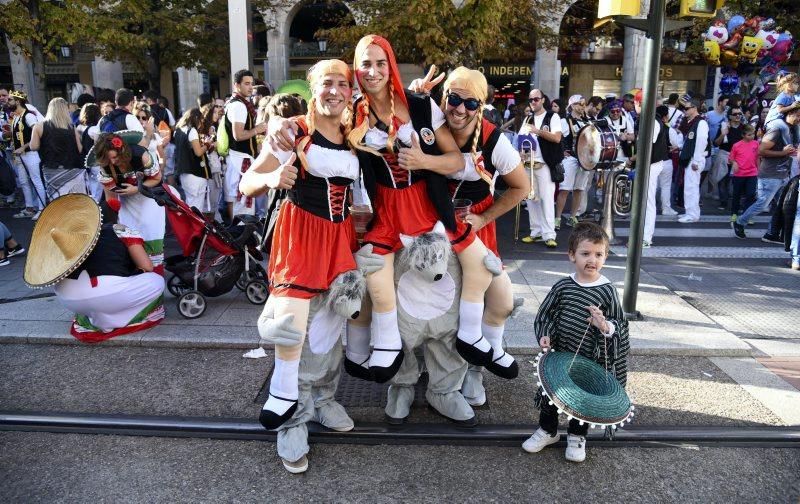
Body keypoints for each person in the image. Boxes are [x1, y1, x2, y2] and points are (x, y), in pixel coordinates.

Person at [239, 59, 361, 435]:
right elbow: (247, 182)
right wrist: (274, 176)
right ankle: (289, 411)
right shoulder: (294, 132)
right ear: (313, 88)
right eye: (327, 83)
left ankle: (323, 397)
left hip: (340, 237)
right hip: (302, 234)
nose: (335, 91)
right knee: (293, 323)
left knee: (329, 324)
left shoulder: (355, 134)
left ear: (351, 92)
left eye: (343, 84)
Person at [434, 67, 529, 379]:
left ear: (481, 106)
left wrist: (485, 217)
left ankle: (476, 371)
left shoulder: (494, 140)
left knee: (494, 298)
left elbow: (522, 187)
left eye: (471, 103)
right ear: (444, 97)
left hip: (475, 223)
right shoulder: (431, 125)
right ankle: (439, 373)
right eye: (454, 98)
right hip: (435, 220)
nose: (460, 109)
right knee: (443, 299)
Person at [523, 222, 629, 463]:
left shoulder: (607, 291)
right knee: (552, 392)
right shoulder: (563, 286)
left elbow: (620, 324)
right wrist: (545, 334)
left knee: (581, 397)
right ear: (572, 255)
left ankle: (577, 436)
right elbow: (545, 314)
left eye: (599, 254)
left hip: (589, 358)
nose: (592, 260)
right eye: (585, 253)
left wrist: (604, 325)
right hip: (560, 351)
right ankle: (547, 430)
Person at [23, 194, 165, 342]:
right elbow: (146, 266)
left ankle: (99, 317)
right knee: (155, 280)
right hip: (106, 292)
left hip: (68, 298)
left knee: (100, 295)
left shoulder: (73, 235)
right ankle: (118, 319)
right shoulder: (121, 229)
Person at [90, 132, 166, 274]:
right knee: (130, 239)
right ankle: (138, 280)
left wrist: (137, 189)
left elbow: (157, 179)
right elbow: (110, 196)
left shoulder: (141, 155)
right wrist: (112, 217)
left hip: (149, 199)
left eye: (114, 157)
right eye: (107, 159)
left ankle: (156, 282)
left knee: (150, 235)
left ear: (122, 150)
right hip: (126, 203)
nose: (112, 162)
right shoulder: (106, 166)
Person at [733, 102, 800, 239]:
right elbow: (761, 151)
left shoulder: (791, 129)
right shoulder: (776, 129)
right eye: (798, 116)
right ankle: (740, 222)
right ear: (789, 113)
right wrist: (783, 152)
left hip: (783, 174)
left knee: (783, 206)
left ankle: (772, 233)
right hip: (770, 175)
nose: (799, 119)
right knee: (762, 204)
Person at [519, 89, 562, 247]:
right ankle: (535, 232)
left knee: (546, 199)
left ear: (543, 100)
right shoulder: (528, 118)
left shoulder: (552, 116)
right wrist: (521, 152)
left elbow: (557, 138)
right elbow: (521, 139)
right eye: (531, 100)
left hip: (544, 164)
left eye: (536, 99)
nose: (533, 102)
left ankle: (549, 234)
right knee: (532, 200)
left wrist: (538, 132)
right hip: (528, 164)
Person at [223, 69, 266, 220]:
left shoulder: (236, 104)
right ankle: (241, 237)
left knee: (240, 200)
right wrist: (258, 129)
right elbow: (239, 135)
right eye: (246, 84)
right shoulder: (239, 106)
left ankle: (239, 235)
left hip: (239, 157)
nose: (250, 87)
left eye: (251, 84)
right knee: (244, 202)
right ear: (236, 85)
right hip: (241, 159)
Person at [29, 97, 86, 201]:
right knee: (77, 203)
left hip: (52, 169)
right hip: (72, 169)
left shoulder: (39, 126)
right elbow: (80, 149)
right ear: (65, 110)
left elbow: (33, 147)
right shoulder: (71, 127)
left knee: (57, 202)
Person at [8, 90, 46, 219]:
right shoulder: (16, 117)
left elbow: (38, 134)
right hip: (20, 156)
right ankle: (29, 208)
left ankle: (43, 209)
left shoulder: (29, 116)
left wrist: (23, 147)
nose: (8, 102)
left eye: (10, 100)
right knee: (24, 182)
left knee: (36, 180)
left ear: (18, 101)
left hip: (31, 154)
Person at [556, 95, 591, 230]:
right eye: (579, 103)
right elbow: (558, 138)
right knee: (565, 189)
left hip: (584, 159)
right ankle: (558, 218)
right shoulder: (565, 121)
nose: (582, 106)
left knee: (579, 189)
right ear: (572, 105)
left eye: (583, 103)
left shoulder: (586, 121)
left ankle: (573, 216)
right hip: (570, 158)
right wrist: (561, 152)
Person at [174, 108, 213, 219]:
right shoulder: (192, 131)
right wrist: (208, 145)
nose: (201, 123)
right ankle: (195, 233)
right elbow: (198, 152)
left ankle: (190, 231)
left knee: (189, 205)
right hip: (195, 173)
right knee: (196, 208)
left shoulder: (178, 130)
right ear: (196, 118)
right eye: (200, 120)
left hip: (183, 173)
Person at [641, 106, 671, 248]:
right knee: (646, 201)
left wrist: (633, 159)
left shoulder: (653, 122)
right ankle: (644, 236)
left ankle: (646, 237)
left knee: (648, 201)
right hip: (652, 163)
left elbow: (646, 145)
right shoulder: (653, 121)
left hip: (651, 164)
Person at [677, 94, 709, 223]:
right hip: (689, 158)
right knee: (689, 187)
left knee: (692, 187)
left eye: (687, 108)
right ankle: (689, 211)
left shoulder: (700, 122)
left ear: (694, 108)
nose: (685, 110)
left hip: (695, 159)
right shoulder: (690, 122)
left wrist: (696, 160)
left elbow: (701, 142)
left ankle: (693, 214)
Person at [713, 105, 746, 211]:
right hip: (725, 155)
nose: (738, 116)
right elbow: (716, 143)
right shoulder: (724, 126)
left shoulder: (744, 128)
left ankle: (738, 203)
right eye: (735, 114)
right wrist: (723, 135)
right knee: (723, 179)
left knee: (739, 181)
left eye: (739, 114)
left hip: (740, 158)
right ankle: (724, 201)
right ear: (730, 116)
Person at [728, 124, 759, 222]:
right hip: (739, 174)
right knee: (736, 195)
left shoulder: (756, 144)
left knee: (750, 195)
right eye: (749, 134)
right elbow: (731, 159)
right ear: (743, 135)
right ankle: (734, 213)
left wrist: (759, 170)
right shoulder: (736, 145)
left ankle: (747, 215)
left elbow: (758, 158)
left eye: (753, 134)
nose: (752, 136)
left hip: (752, 173)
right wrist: (734, 163)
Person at [79, 103, 103, 202]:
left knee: (92, 190)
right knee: (96, 192)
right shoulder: (94, 130)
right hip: (96, 164)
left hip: (89, 164)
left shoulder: (83, 129)